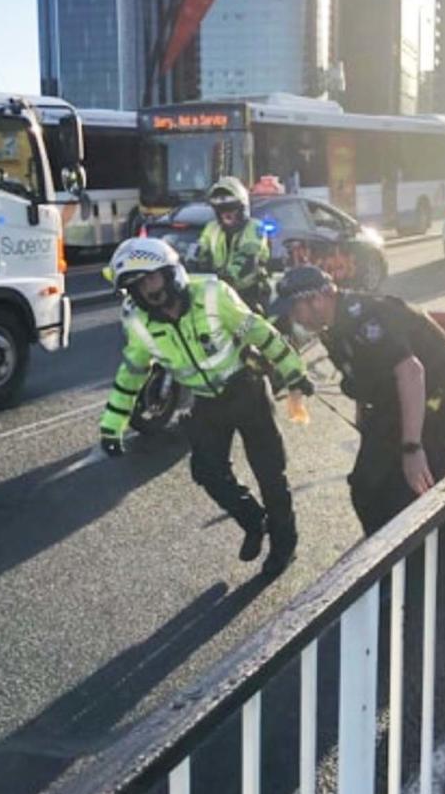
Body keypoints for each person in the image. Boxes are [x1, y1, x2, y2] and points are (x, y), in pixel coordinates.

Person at [100, 237, 313, 576]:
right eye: (137, 286)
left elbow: (260, 332)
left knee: (270, 472)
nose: (146, 291)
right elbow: (132, 372)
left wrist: (294, 372)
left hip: (246, 389)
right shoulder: (138, 321)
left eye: (151, 278)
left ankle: (285, 545)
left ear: (170, 273)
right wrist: (113, 427)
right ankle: (254, 521)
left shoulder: (213, 294)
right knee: (207, 471)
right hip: (207, 401)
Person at [271, 266, 445, 535]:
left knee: (410, 486)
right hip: (395, 399)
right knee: (365, 486)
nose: (294, 318)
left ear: (317, 299)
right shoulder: (332, 326)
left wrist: (412, 448)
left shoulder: (367, 319)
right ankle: (381, 557)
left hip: (437, 397)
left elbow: (411, 373)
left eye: (296, 310)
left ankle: (426, 556)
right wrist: (366, 418)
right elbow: (365, 375)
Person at [196, 177, 271, 312]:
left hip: (249, 294)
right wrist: (194, 269)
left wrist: (226, 278)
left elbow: (247, 258)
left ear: (242, 208)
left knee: (251, 327)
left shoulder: (255, 227)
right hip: (217, 292)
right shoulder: (211, 228)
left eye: (231, 209)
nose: (226, 214)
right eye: (221, 210)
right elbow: (200, 254)